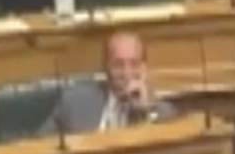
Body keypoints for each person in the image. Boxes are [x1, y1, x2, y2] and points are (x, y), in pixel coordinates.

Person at [47, 31, 180, 135]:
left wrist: (146, 111)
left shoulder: (163, 113)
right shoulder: (75, 102)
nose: (127, 73)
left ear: (144, 68)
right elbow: (37, 146)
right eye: (118, 65)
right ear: (105, 67)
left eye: (134, 64)